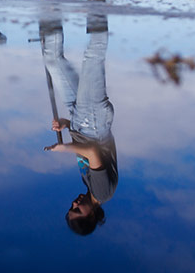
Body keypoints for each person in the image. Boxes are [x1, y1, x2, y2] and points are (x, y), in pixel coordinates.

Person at [41, 12, 118, 236]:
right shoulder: (102, 193)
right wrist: (64, 147)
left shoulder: (87, 183)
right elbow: (93, 151)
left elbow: (85, 148)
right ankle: (96, 0)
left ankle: (50, 6)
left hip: (79, 119)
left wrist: (66, 124)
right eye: (78, 210)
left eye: (70, 208)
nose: (74, 204)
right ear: (91, 215)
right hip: (92, 121)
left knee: (53, 60)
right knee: (93, 57)